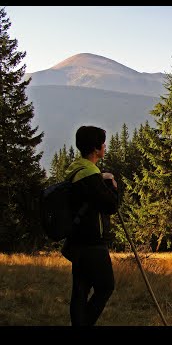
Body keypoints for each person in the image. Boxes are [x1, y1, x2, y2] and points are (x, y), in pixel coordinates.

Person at [62, 125, 119, 326]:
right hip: (92, 242)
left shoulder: (77, 169)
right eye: (102, 143)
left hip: (76, 240)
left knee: (80, 289)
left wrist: (100, 179)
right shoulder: (89, 174)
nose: (104, 146)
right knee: (105, 287)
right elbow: (111, 205)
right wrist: (112, 186)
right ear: (96, 149)